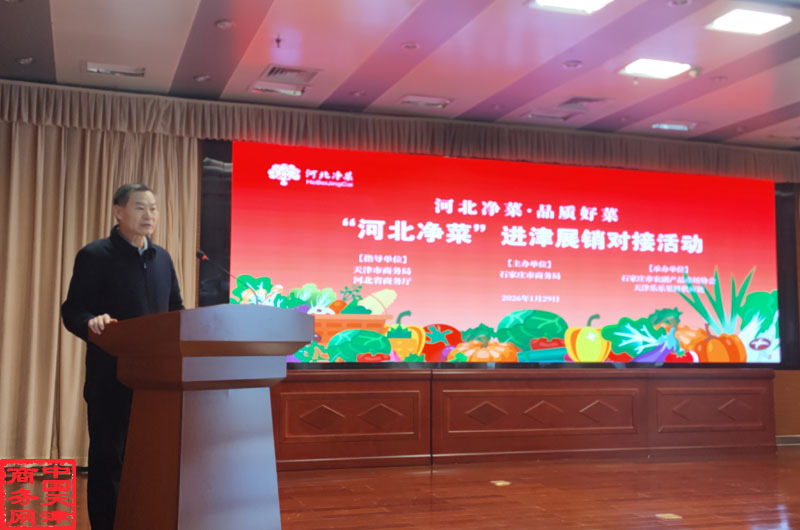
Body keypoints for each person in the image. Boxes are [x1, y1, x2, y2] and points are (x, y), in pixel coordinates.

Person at [61, 183, 184, 530]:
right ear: (119, 211)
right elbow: (73, 311)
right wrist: (92, 322)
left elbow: (175, 310)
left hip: (156, 381)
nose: (149, 215)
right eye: (140, 207)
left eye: (154, 208)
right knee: (108, 458)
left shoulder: (162, 259)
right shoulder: (95, 255)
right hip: (109, 376)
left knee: (148, 459)